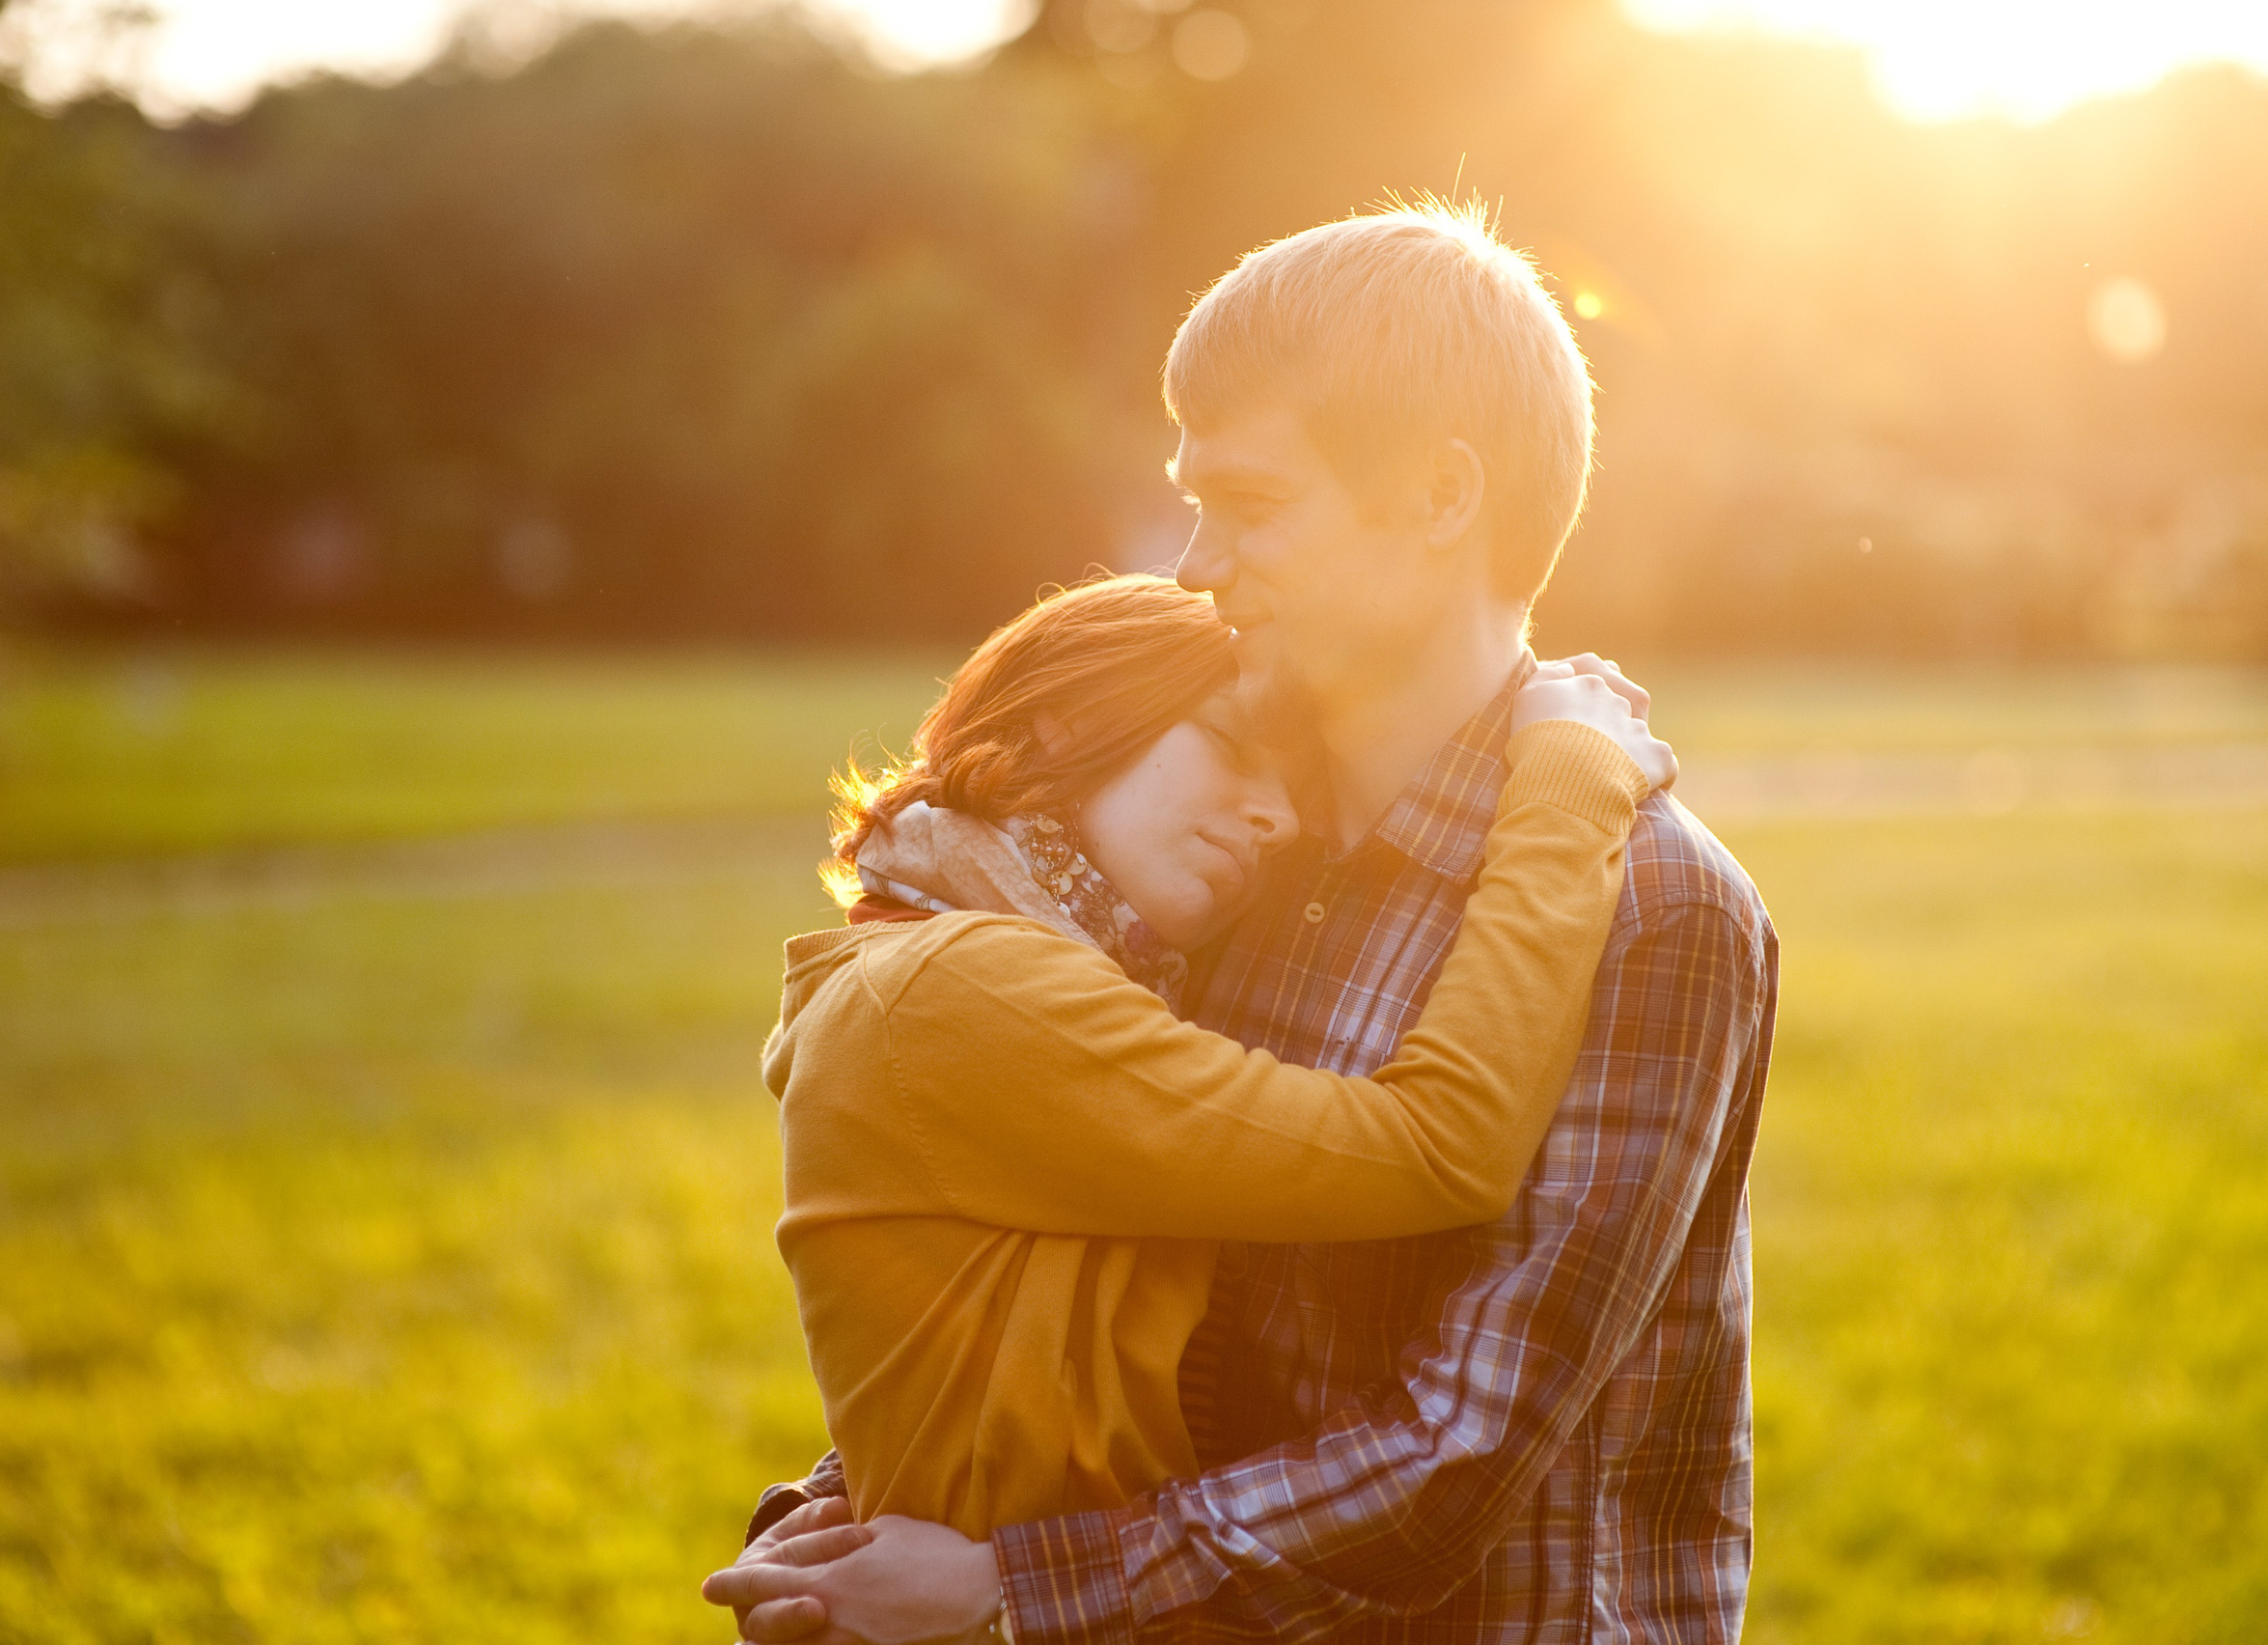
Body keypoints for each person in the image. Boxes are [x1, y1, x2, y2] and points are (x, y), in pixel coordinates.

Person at [710, 200, 1779, 1645]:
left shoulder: (1653, 902)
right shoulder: (1220, 864)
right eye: (1193, 502)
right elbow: (1078, 1271)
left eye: (1252, 504)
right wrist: (865, 1508)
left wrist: (1005, 1589)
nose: (1199, 563)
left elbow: (1455, 1454)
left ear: (1439, 496)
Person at [738, 570, 1666, 1551]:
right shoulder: (961, 989)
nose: (1276, 822)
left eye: (1296, 797)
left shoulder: (947, 961)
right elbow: (1438, 1149)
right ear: (1063, 723)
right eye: (1231, 746)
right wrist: (1568, 779)